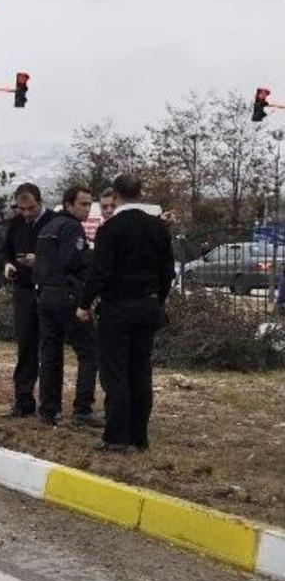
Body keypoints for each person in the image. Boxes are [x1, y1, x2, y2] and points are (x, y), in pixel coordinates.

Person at [77, 174, 175, 452]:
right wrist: (157, 300)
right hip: (148, 306)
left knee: (115, 372)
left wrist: (84, 304)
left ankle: (116, 437)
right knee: (141, 371)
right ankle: (139, 437)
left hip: (118, 308)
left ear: (116, 195)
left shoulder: (111, 229)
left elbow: (100, 272)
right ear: (140, 193)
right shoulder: (157, 228)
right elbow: (167, 271)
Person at [34, 186, 102, 428]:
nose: (87, 209)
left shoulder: (48, 227)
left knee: (50, 353)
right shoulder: (72, 228)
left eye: (89, 204)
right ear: (69, 205)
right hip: (66, 295)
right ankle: (82, 410)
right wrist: (83, 293)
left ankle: (48, 410)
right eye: (83, 204)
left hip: (46, 295)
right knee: (89, 352)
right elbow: (73, 263)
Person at [3, 182, 57, 417]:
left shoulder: (54, 222)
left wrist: (41, 260)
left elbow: (65, 257)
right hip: (23, 289)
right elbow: (6, 248)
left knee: (49, 347)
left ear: (40, 202)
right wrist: (8, 264)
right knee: (26, 344)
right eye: (22, 209)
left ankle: (50, 405)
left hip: (47, 290)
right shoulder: (16, 223)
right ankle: (23, 399)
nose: (26, 213)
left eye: (31, 208)